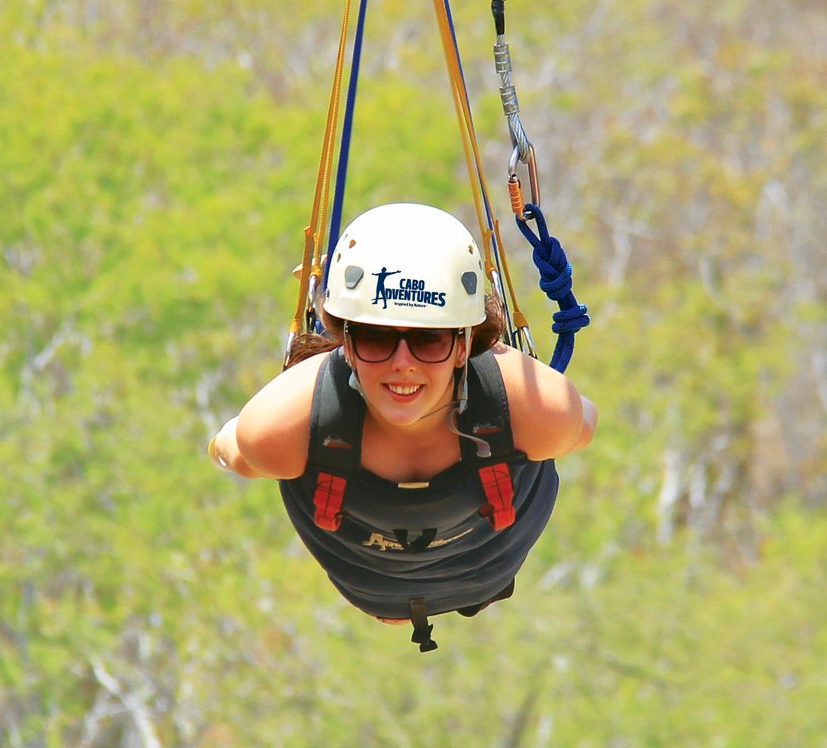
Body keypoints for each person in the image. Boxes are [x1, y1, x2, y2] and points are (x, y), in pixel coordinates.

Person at [208, 203, 597, 649]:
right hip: (372, 584)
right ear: (345, 343)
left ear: (464, 343)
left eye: (428, 339)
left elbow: (581, 421)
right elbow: (234, 450)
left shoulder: (536, 408)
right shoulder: (283, 426)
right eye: (376, 338)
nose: (402, 365)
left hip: (487, 569)